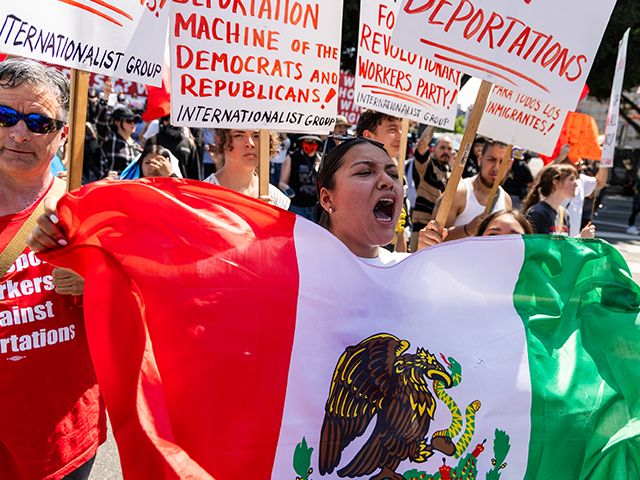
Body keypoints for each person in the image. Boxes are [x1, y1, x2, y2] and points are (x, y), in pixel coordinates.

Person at [0, 58, 105, 480]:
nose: (18, 133)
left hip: (56, 441)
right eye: (5, 116)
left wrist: (97, 282)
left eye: (38, 122)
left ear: (63, 134)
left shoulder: (93, 213)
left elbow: (145, 315)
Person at [315, 137, 444, 266]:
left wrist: (420, 269)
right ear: (327, 199)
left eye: (393, 174)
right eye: (365, 172)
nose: (388, 182)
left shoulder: (405, 269)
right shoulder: (301, 269)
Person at [430, 140, 513, 242]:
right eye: (491, 159)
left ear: (510, 164)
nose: (496, 167)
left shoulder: (506, 200)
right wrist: (468, 229)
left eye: (503, 162)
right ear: (480, 159)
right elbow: (432, 237)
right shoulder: (459, 193)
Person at [204, 129, 290, 209]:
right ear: (220, 142)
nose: (250, 143)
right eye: (239, 135)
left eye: (257, 136)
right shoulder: (200, 197)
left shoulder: (277, 201)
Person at [409, 126, 453, 251]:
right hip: (421, 232)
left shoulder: (449, 174)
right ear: (433, 150)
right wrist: (435, 123)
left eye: (449, 149)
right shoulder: (427, 166)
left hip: (440, 236)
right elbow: (422, 146)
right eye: (442, 147)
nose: (446, 151)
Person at [551, 144, 608, 237]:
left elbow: (599, 183)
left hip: (572, 242)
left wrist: (605, 162)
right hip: (554, 242)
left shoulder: (581, 180)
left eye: (581, 164)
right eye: (577, 165)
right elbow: (538, 180)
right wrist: (560, 157)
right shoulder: (552, 182)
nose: (582, 168)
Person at [523, 164, 595, 237]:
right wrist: (581, 238)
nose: (576, 184)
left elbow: (563, 246)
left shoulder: (564, 214)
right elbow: (543, 247)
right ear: (556, 182)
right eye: (571, 179)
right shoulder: (538, 213)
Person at [95, 80, 142, 177]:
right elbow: (100, 122)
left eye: (135, 121)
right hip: (110, 188)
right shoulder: (110, 138)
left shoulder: (137, 147)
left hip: (130, 189)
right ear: (117, 123)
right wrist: (106, 96)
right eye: (128, 121)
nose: (133, 124)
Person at [279, 134, 322, 221]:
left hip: (315, 206)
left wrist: (321, 168)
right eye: (307, 141)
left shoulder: (321, 159)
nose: (310, 144)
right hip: (297, 206)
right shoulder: (292, 157)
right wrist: (290, 192)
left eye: (313, 142)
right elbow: (282, 182)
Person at [146, 115, 202, 180]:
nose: (176, 124)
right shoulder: (154, 140)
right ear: (164, 122)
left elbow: (195, 171)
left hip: (182, 186)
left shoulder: (189, 143)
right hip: (159, 185)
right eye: (173, 120)